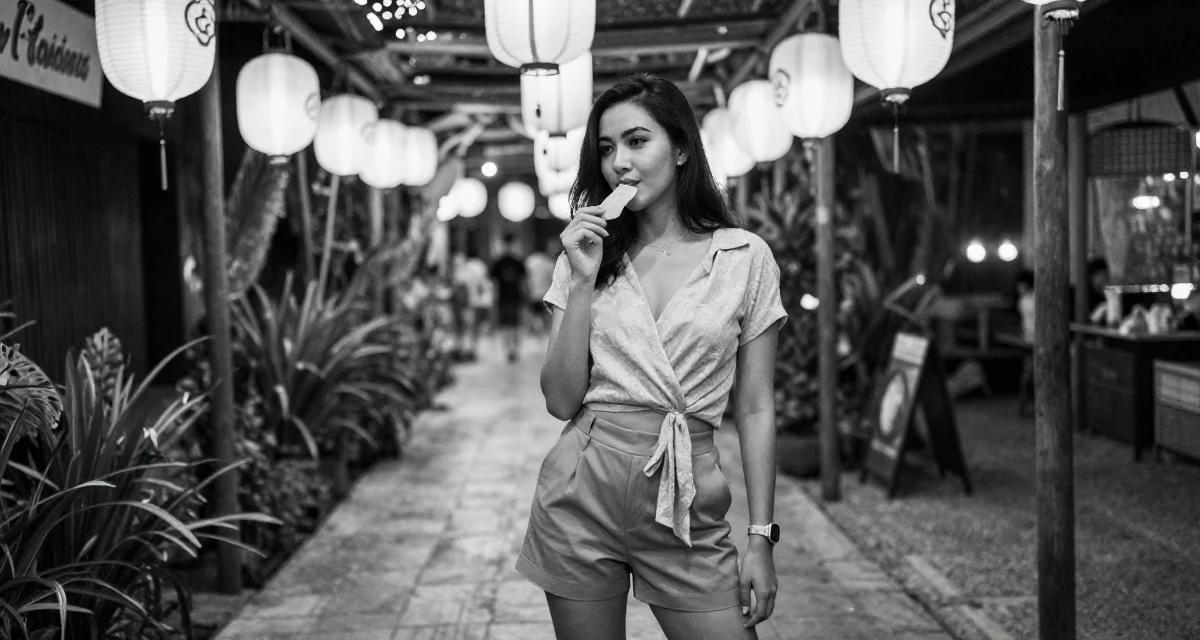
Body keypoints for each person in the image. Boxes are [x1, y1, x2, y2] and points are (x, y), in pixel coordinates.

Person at [516, 74, 786, 640]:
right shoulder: (584, 255)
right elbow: (560, 399)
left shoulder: (743, 258)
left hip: (686, 498)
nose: (620, 162)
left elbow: (757, 407)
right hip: (582, 487)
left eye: (638, 141)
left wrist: (760, 536)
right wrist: (584, 282)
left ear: (682, 147)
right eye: (607, 149)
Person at [491, 233, 528, 363]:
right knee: (508, 326)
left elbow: (523, 282)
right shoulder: (500, 263)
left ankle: (513, 350)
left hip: (513, 298)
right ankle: (510, 350)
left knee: (514, 326)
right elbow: (494, 284)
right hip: (506, 298)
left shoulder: (516, 262)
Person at [455, 249, 491, 361]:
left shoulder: (464, 267)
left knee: (465, 327)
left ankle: (465, 350)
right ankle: (473, 349)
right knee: (474, 328)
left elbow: (459, 284)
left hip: (466, 303)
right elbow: (484, 285)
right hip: (477, 302)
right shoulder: (481, 266)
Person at [524, 239, 559, 335]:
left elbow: (526, 279)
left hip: (533, 293)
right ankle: (547, 337)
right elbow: (552, 279)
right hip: (546, 293)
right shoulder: (548, 262)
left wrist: (527, 291)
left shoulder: (529, 261)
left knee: (532, 317)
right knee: (547, 318)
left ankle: (533, 338)